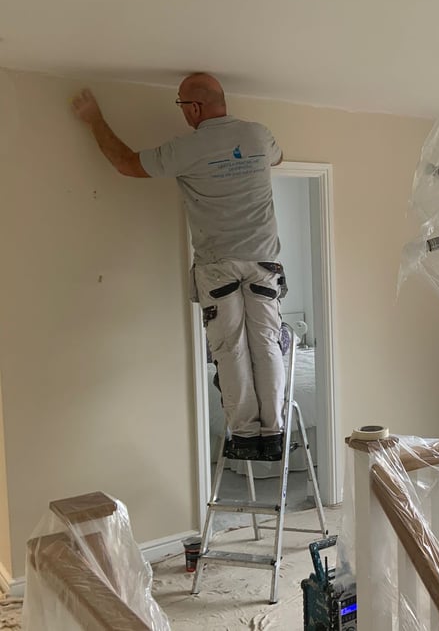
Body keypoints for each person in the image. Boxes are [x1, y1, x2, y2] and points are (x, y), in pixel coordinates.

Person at [72, 73, 288, 461]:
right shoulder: (259, 135)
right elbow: (279, 157)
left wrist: (94, 119)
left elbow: (125, 163)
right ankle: (273, 433)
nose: (183, 114)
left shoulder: (188, 149)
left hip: (219, 266)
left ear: (195, 107)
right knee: (266, 345)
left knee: (231, 348)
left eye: (181, 105)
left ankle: (244, 436)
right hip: (263, 262)